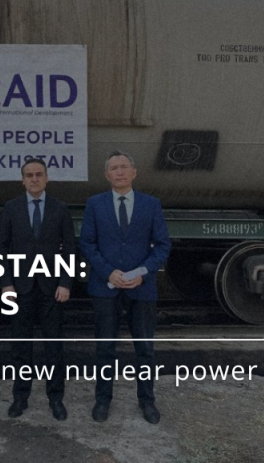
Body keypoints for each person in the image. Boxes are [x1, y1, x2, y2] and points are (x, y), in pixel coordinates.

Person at [79, 151, 171, 424]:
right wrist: (109, 271)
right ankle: (103, 401)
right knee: (105, 348)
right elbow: (87, 244)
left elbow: (163, 245)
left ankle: (147, 402)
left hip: (141, 289)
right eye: (114, 168)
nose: (119, 172)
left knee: (144, 349)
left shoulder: (151, 204)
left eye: (124, 167)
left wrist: (142, 273)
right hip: (105, 287)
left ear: (134, 172)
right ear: (107, 175)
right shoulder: (94, 204)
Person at [0, 158, 75, 421]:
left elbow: (71, 249)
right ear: (22, 180)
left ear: (47, 178)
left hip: (52, 290)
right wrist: (6, 283)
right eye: (29, 175)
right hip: (19, 289)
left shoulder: (60, 208)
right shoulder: (11, 208)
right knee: (20, 347)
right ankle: (20, 398)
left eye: (38, 174)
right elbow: (2, 249)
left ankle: (56, 399)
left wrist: (65, 282)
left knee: (53, 347)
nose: (34, 179)